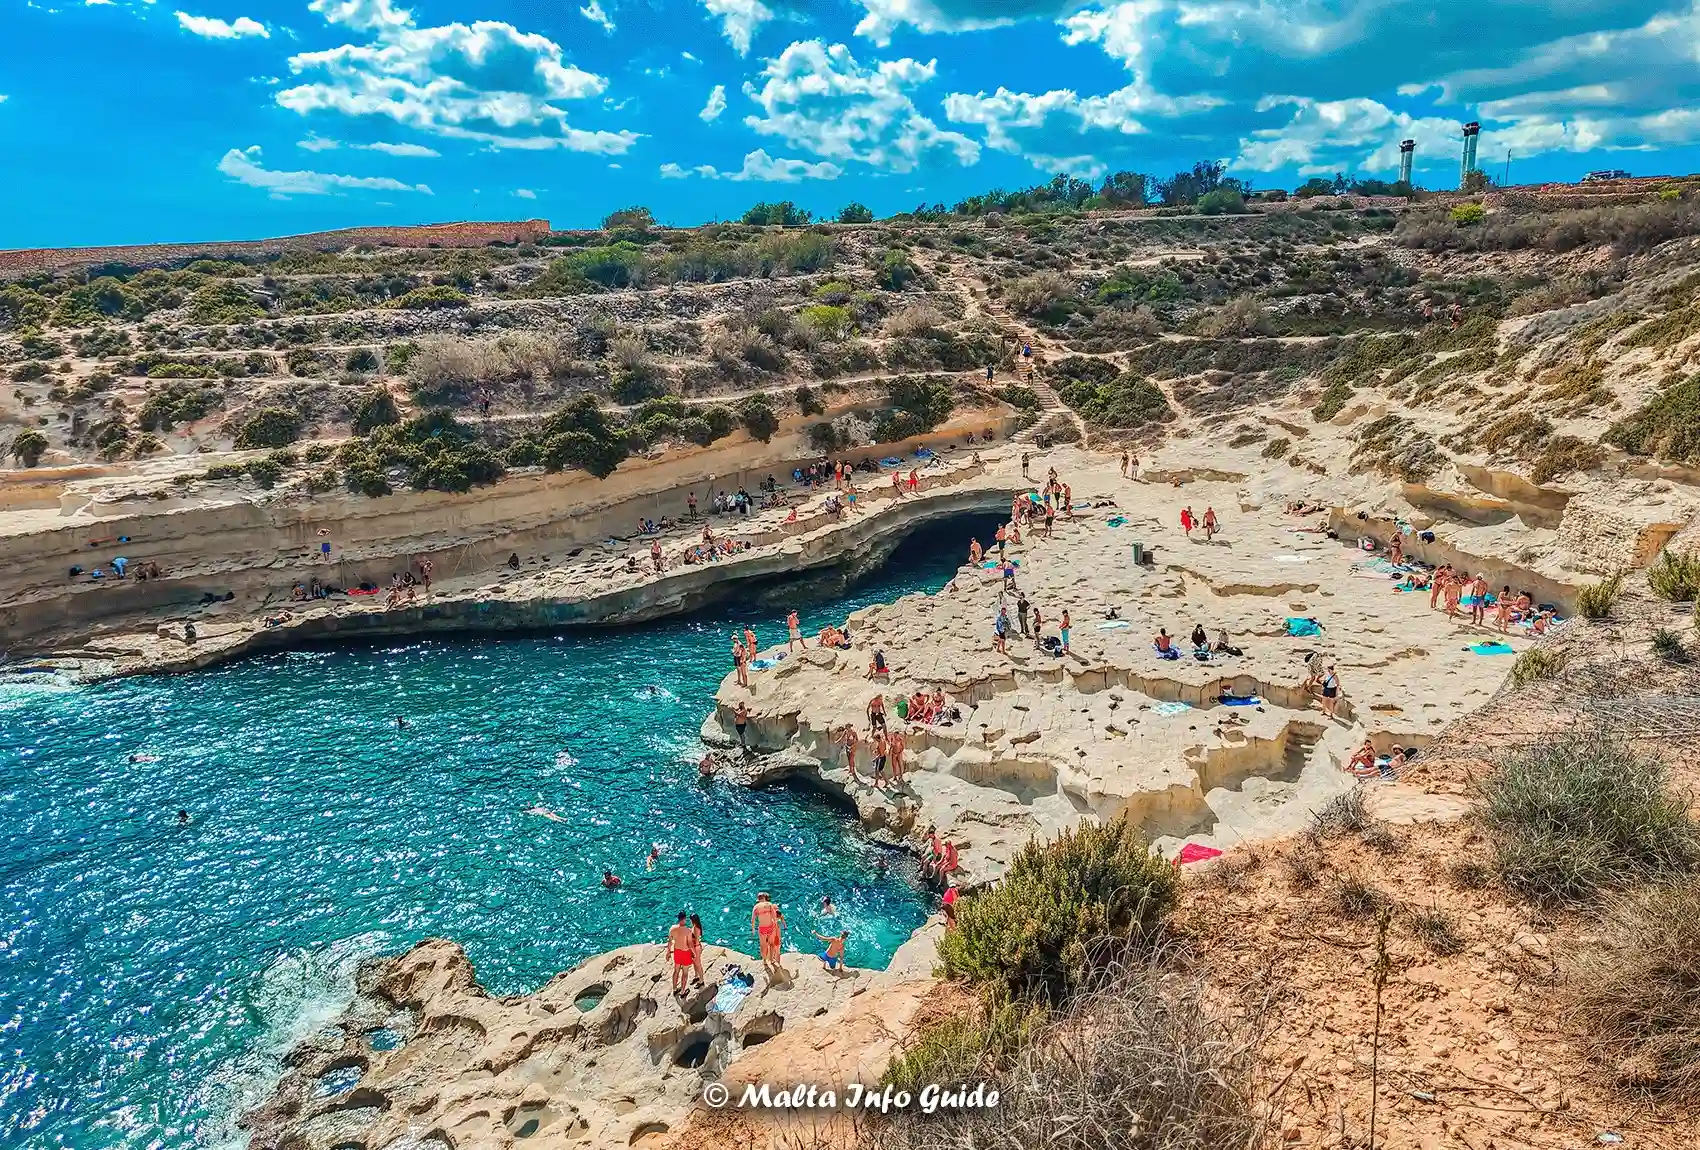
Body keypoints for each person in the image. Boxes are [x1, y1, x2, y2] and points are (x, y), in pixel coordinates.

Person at [752, 893, 785, 978]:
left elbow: (753, 920)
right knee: (773, 946)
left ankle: (766, 961)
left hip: (765, 929)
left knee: (766, 946)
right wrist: (781, 926)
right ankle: (773, 962)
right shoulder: (770, 906)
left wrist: (753, 929)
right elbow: (777, 916)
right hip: (772, 929)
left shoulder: (758, 907)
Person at [668, 912, 695, 995]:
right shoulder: (688, 931)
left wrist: (668, 952)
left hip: (677, 951)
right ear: (684, 919)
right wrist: (694, 953)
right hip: (685, 953)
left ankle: (674, 989)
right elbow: (690, 944)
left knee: (676, 971)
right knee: (685, 973)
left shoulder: (672, 928)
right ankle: (683, 992)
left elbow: (670, 942)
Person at [689, 913, 708, 987]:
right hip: (694, 947)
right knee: (694, 963)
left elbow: (696, 941)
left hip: (696, 948)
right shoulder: (695, 926)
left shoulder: (696, 929)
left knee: (698, 964)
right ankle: (696, 976)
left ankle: (701, 981)